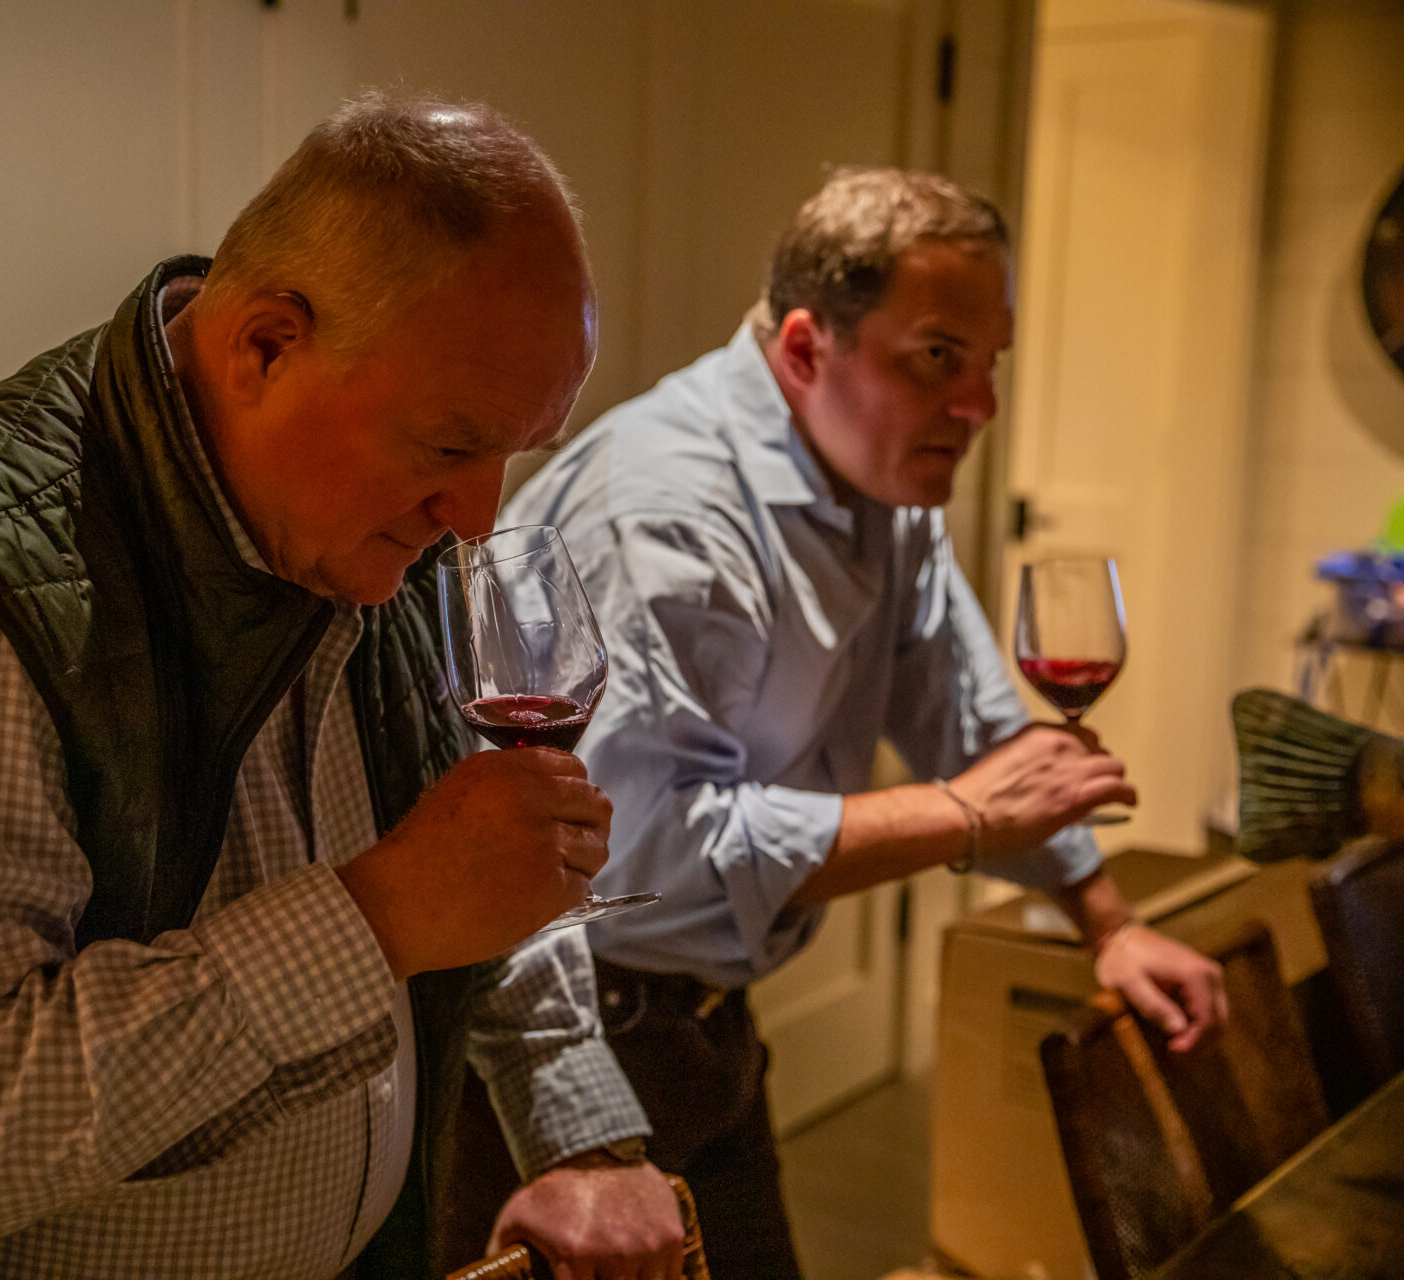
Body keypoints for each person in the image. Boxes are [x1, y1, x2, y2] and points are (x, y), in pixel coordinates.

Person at [0, 94, 685, 1280]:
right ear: (264, 346)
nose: (481, 516)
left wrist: (581, 1129)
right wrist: (374, 915)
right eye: (451, 445)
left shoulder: (364, 527)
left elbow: (476, 854)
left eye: (519, 452)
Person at [473, 168, 1230, 1277]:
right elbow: (641, 851)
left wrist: (1107, 919)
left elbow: (969, 717)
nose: (980, 403)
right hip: (563, 1039)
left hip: (706, 1021)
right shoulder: (668, 512)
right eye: (938, 356)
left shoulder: (886, 483)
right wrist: (961, 817)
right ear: (803, 346)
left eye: (989, 362)